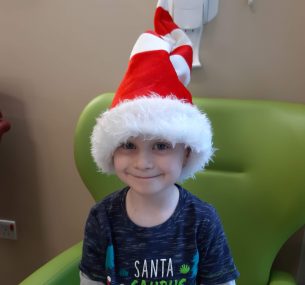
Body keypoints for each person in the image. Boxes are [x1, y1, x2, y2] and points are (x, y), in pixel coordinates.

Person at [79, 1, 239, 284]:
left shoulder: (202, 220)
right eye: (128, 145)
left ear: (186, 153)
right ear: (111, 150)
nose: (143, 162)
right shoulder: (102, 217)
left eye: (161, 146)